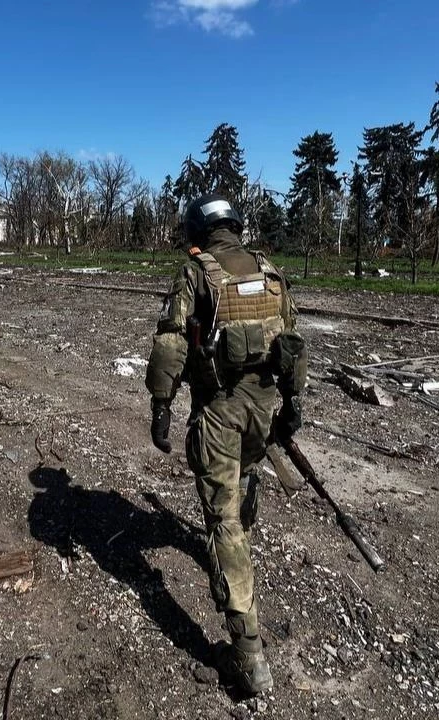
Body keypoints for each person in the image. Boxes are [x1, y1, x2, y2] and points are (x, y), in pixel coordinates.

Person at [144, 193, 308, 695]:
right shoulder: (268, 270)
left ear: (197, 231)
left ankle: (248, 656)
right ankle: (239, 549)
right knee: (246, 477)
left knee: (223, 521)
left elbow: (171, 341)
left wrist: (161, 406)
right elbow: (293, 341)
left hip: (219, 412)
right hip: (263, 411)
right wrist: (293, 405)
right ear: (235, 226)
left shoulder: (196, 274)